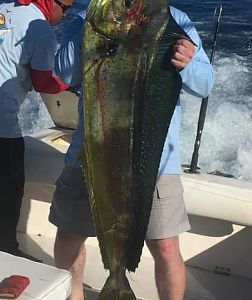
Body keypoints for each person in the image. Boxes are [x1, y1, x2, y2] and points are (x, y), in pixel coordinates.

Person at [50, 4, 214, 300]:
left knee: (165, 247)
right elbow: (63, 71)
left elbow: (205, 84)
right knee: (69, 236)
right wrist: (89, 26)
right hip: (91, 154)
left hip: (155, 161)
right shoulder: (86, 18)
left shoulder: (176, 20)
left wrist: (188, 63)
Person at [0, 0, 72, 261]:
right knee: (9, 187)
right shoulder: (40, 29)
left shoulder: (1, 8)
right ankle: (6, 248)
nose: (65, 15)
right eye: (66, 8)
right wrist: (68, 85)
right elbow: (42, 83)